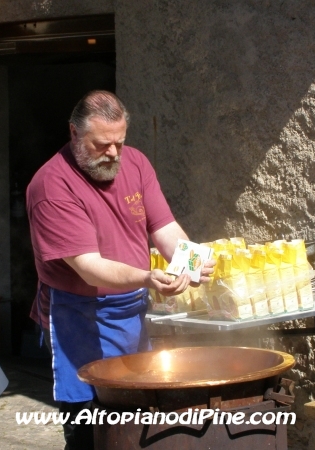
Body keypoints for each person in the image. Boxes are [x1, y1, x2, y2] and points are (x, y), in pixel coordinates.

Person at [26, 90, 213, 450]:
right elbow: (89, 268)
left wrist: (192, 264)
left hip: (130, 312)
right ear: (74, 133)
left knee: (133, 422)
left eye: (119, 142)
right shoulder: (51, 186)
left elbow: (165, 228)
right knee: (89, 427)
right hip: (78, 316)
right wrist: (146, 277)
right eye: (101, 144)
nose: (113, 153)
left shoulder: (137, 163)